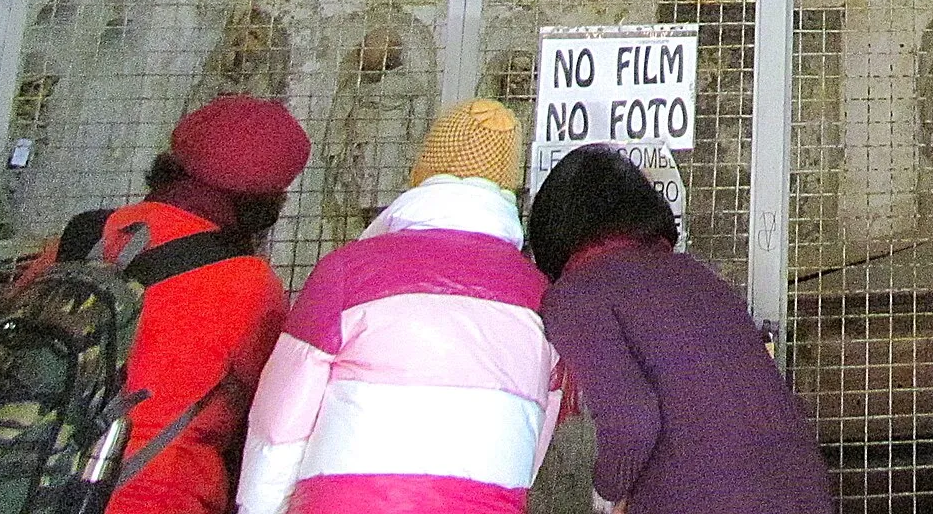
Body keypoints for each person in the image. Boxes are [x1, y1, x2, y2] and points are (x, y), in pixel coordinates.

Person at [237, 100, 562, 514]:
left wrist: (260, 507)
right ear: (509, 188)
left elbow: (280, 420)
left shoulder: (347, 272)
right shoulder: (541, 298)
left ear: (422, 171)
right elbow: (533, 435)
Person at [20, 95, 311, 514]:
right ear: (267, 201)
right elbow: (268, 411)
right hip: (154, 495)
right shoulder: (249, 284)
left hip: (29, 479)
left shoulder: (83, 235)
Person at [527, 145, 834, 514]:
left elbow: (632, 420)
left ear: (554, 229)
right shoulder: (695, 275)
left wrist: (604, 494)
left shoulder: (577, 293)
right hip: (803, 493)